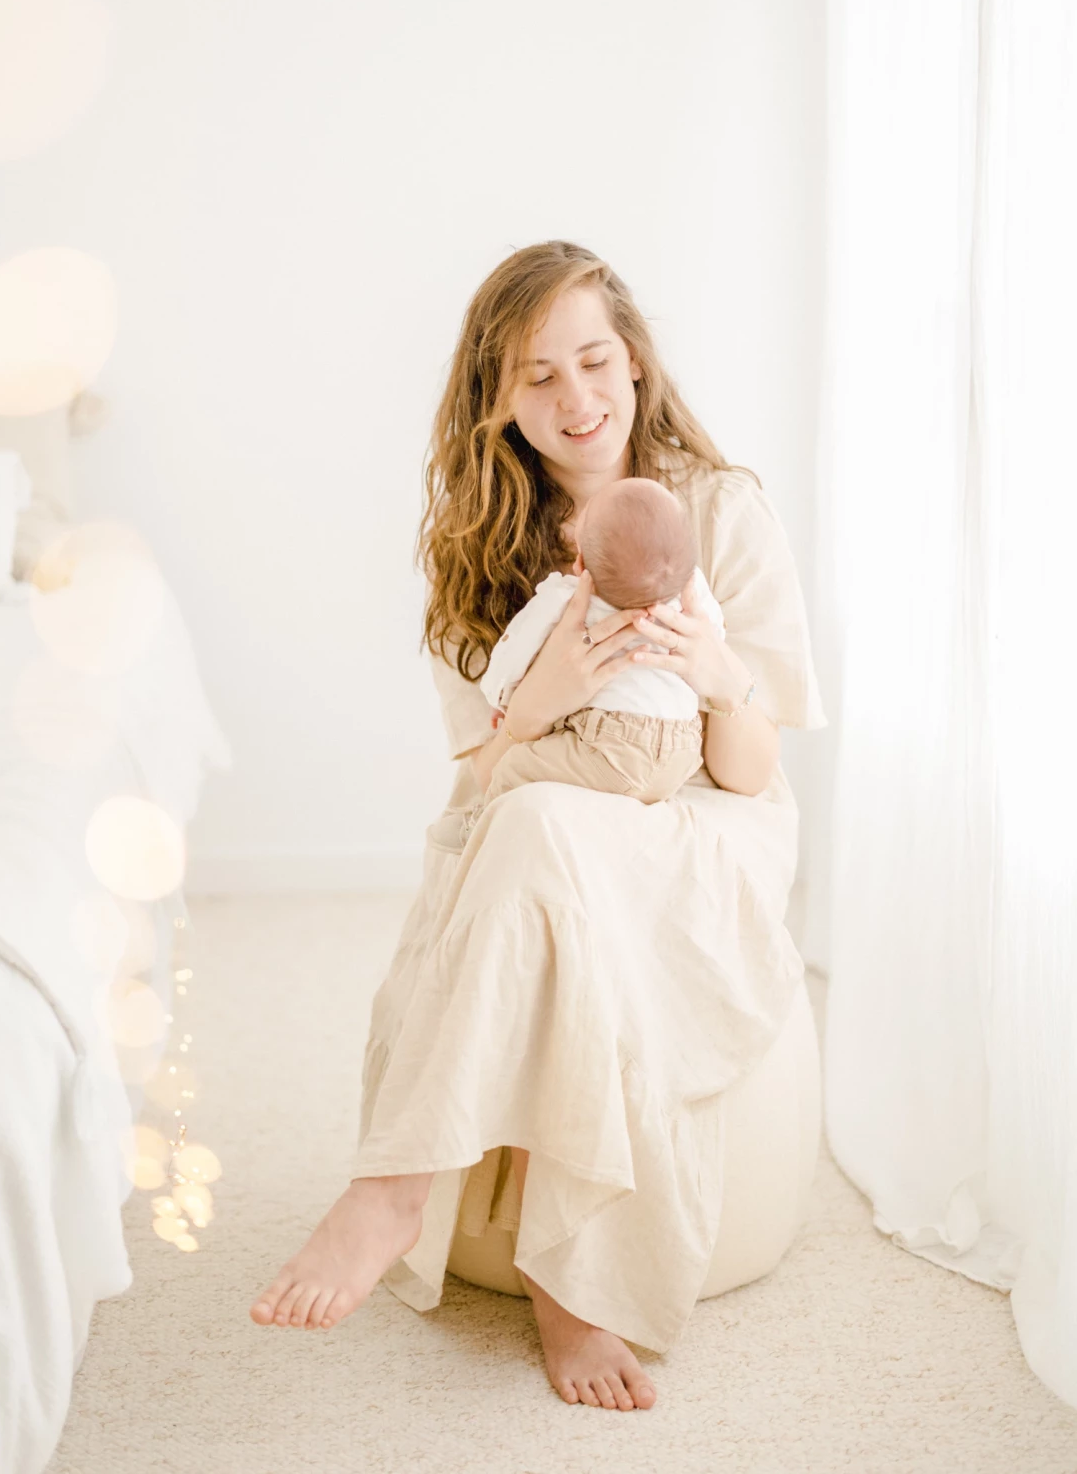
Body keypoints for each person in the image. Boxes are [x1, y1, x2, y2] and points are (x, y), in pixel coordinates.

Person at [251, 240, 827, 1413]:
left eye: (595, 360)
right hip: (543, 815)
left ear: (636, 362)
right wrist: (547, 695)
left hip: (705, 821)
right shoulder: (481, 555)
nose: (577, 400)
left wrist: (715, 672)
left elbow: (752, 774)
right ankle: (563, 1285)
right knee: (534, 831)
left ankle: (395, 1191)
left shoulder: (722, 512)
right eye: (537, 376)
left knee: (539, 835)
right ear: (496, 400)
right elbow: (483, 782)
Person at [466, 477, 725, 828]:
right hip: (682, 750)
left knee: (516, 768)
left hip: (610, 745)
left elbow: (515, 650)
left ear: (581, 564)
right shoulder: (693, 598)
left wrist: (503, 696)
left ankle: (477, 827)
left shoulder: (567, 597)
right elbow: (714, 638)